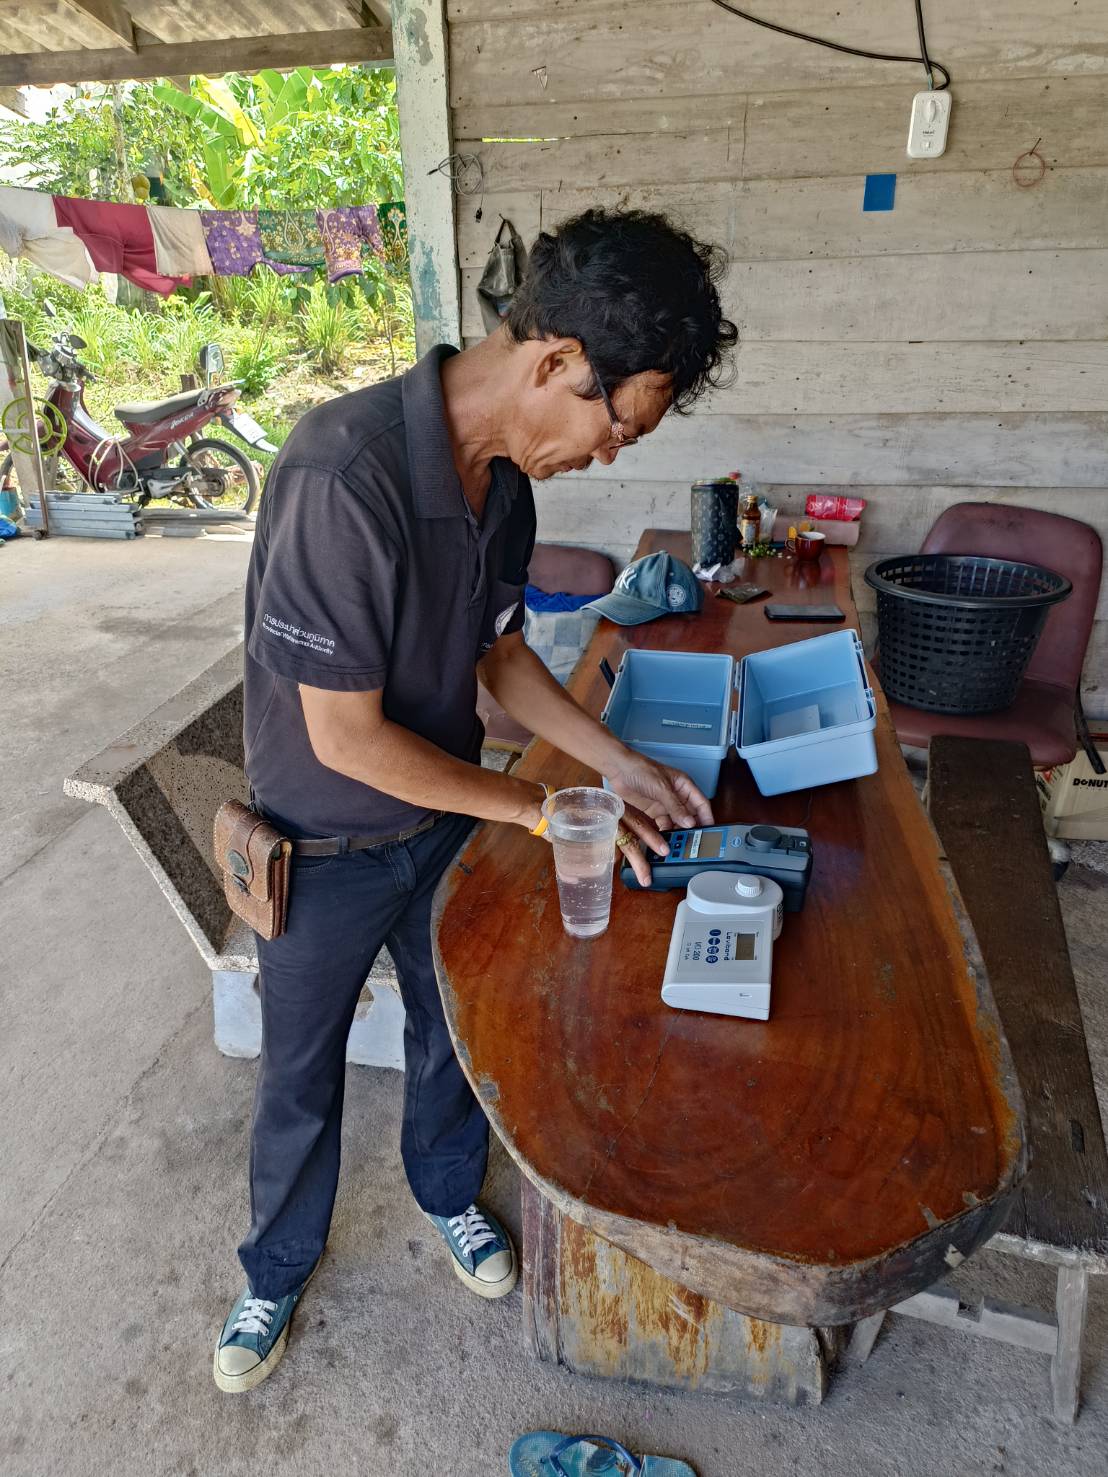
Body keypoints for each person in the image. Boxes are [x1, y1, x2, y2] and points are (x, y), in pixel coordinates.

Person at [214, 207, 739, 1392]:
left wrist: (613, 762)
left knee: (453, 1028)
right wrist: (530, 809)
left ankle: (449, 1193)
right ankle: (274, 1267)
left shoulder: (503, 492)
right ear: (556, 365)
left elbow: (498, 660)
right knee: (300, 1070)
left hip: (438, 824)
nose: (609, 454)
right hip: (321, 838)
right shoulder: (340, 472)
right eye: (618, 424)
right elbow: (345, 737)